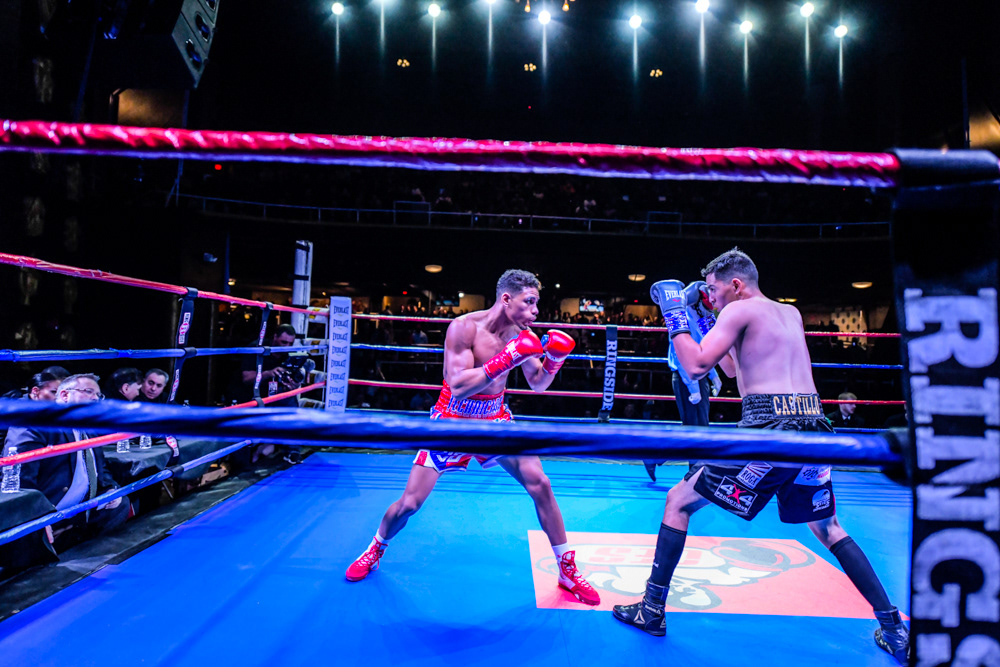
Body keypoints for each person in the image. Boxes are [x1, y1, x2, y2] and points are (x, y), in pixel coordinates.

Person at [613, 248, 908, 664]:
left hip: (771, 429)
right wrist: (704, 320)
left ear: (736, 284)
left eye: (714, 290)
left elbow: (695, 367)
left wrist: (675, 313)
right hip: (815, 427)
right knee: (828, 528)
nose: (710, 298)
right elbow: (733, 369)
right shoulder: (789, 313)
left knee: (677, 501)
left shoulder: (738, 309)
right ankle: (893, 627)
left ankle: (651, 609)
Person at [345, 269, 600, 606]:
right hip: (452, 421)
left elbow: (538, 383)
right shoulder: (464, 328)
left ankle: (567, 571)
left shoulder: (521, 332)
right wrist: (507, 357)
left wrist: (554, 360)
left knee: (541, 483)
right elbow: (459, 385)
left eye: (536, 303)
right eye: (529, 302)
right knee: (410, 504)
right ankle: (375, 549)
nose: (536, 310)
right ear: (506, 299)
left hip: (495, 419)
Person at [4, 374, 130, 548]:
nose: (95, 398)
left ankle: (79, 546)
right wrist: (38, 516)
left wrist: (110, 488)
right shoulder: (36, 424)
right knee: (31, 531)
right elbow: (20, 480)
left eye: (98, 395)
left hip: (81, 508)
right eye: (88, 391)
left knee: (120, 503)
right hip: (49, 508)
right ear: (64, 395)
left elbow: (100, 467)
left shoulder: (89, 428)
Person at [644, 281, 722, 482]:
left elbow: (703, 351)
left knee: (699, 428)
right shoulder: (681, 318)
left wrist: (713, 376)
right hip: (686, 378)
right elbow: (681, 358)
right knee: (694, 429)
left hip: (699, 376)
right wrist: (693, 386)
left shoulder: (700, 317)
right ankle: (693, 475)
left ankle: (657, 457)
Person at [238, 323, 304, 464]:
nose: (286, 346)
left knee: (290, 398)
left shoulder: (288, 354)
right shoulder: (257, 348)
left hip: (273, 395)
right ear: (274, 337)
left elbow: (292, 383)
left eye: (290, 343)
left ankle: (292, 451)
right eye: (283, 342)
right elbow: (246, 378)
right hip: (251, 396)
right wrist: (268, 373)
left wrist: (292, 384)